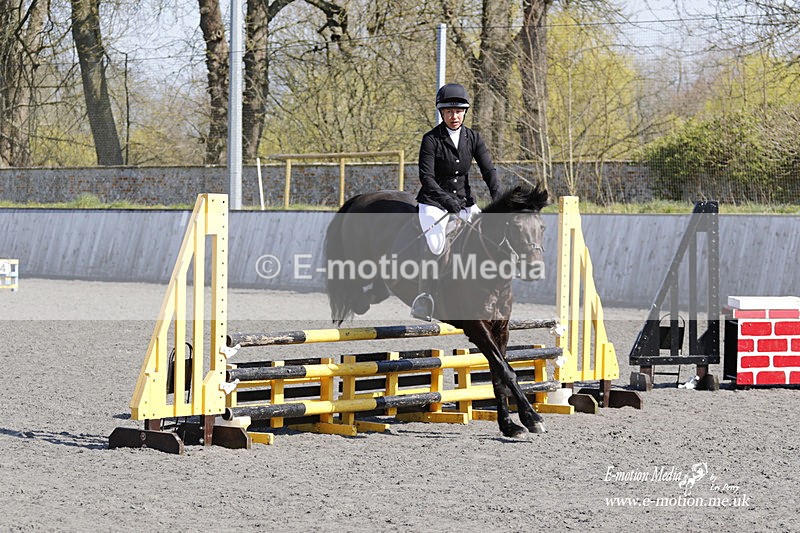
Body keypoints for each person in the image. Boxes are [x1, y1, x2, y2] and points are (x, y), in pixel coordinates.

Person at [411, 82, 501, 320]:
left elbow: (488, 170)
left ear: (465, 112)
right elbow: (426, 178)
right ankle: (426, 296)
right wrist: (446, 200)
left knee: (486, 237)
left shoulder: (473, 138)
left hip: (464, 202)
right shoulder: (431, 140)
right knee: (437, 244)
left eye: (459, 111)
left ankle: (490, 289)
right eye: (449, 111)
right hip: (433, 203)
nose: (454, 116)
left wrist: (499, 199)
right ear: (441, 112)